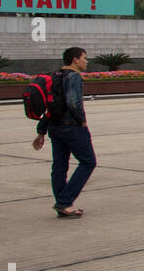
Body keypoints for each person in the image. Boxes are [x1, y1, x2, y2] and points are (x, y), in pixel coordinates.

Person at [31, 46, 96, 218]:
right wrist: (82, 122)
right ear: (75, 60)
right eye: (84, 58)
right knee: (88, 162)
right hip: (71, 126)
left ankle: (63, 204)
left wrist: (41, 131)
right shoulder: (73, 76)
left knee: (59, 166)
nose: (86, 61)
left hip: (54, 127)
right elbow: (73, 102)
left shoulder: (55, 75)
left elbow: (49, 106)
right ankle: (65, 201)